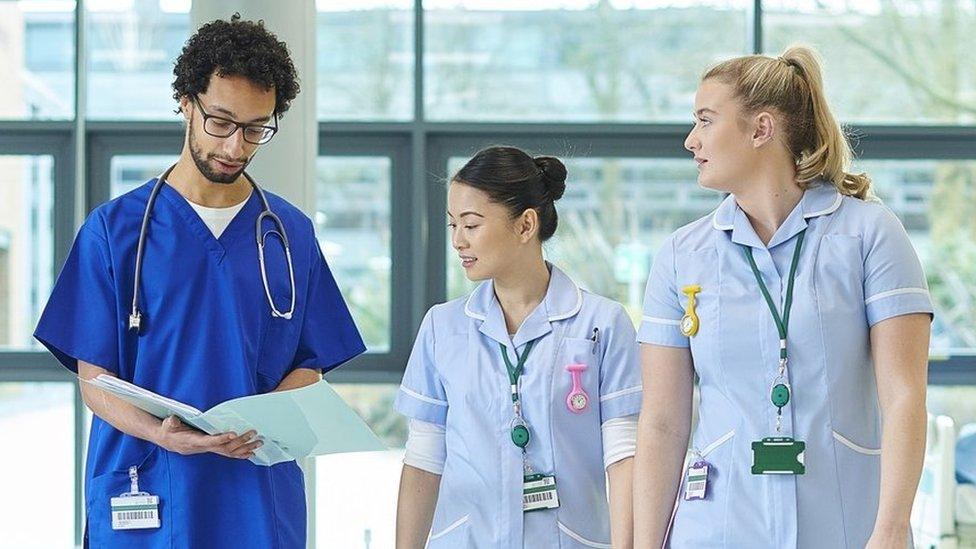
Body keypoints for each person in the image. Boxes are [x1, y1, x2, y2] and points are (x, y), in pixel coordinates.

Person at [33, 15, 365, 548]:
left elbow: (311, 362)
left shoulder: (289, 234)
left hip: (255, 490)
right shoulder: (115, 232)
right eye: (221, 122)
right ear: (186, 101)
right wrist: (161, 434)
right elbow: (94, 380)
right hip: (147, 481)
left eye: (256, 128)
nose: (235, 146)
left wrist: (263, 420)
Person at [633, 46, 933, 548]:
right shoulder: (683, 254)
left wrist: (892, 529)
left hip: (844, 527)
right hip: (717, 529)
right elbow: (663, 422)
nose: (691, 140)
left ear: (761, 129)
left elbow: (904, 396)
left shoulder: (868, 235)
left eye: (705, 120)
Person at [393, 146, 642, 548]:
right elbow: (423, 460)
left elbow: (624, 456)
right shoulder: (442, 328)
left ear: (526, 225)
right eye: (452, 225)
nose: (457, 241)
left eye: (471, 225)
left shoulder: (602, 324)